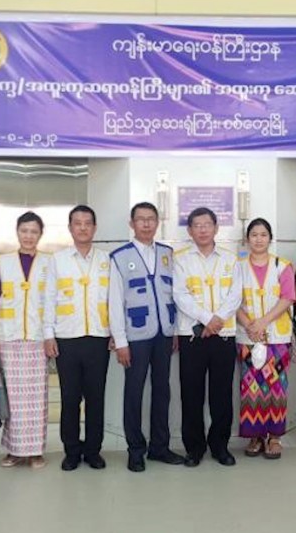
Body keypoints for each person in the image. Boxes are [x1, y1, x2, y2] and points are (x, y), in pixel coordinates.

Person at [109, 202, 186, 472]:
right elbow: (114, 302)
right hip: (135, 336)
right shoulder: (119, 256)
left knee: (162, 390)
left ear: (157, 223)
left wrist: (174, 330)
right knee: (134, 392)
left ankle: (159, 447)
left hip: (164, 334)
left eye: (151, 219)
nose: (146, 224)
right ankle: (135, 450)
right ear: (132, 224)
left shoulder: (167, 254)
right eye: (140, 219)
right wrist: (120, 341)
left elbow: (173, 294)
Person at [173, 207, 243, 468]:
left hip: (223, 335)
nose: (202, 229)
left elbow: (235, 294)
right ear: (189, 230)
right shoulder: (180, 259)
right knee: (191, 394)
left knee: (221, 395)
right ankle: (194, 448)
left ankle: (220, 446)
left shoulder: (230, 259)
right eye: (197, 225)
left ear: (216, 228)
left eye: (207, 224)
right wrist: (206, 319)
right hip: (192, 336)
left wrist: (217, 321)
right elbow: (180, 295)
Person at [48, 205, 111, 471]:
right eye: (78, 223)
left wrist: (115, 333)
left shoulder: (107, 260)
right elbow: (49, 298)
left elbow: (114, 300)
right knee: (70, 398)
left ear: (94, 228)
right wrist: (48, 335)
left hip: (98, 337)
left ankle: (93, 450)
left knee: (96, 398)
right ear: (70, 228)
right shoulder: (58, 260)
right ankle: (72, 451)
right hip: (67, 337)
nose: (83, 228)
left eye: (87, 223)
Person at [0, 211, 55, 470]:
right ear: (17, 232)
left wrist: (51, 335)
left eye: (34, 231)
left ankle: (36, 450)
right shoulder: (3, 262)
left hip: (38, 337)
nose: (29, 236)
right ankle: (14, 450)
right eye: (24, 231)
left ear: (41, 234)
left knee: (37, 398)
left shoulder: (50, 262)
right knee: (13, 399)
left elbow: (54, 300)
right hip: (9, 336)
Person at [236, 218, 295, 460]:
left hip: (277, 338)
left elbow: (288, 298)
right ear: (247, 239)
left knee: (276, 387)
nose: (259, 239)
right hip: (247, 336)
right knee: (251, 388)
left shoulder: (282, 265)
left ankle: (275, 437)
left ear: (270, 238)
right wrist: (249, 324)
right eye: (254, 235)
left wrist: (262, 322)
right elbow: (232, 301)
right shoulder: (237, 267)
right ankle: (255, 436)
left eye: (263, 235)